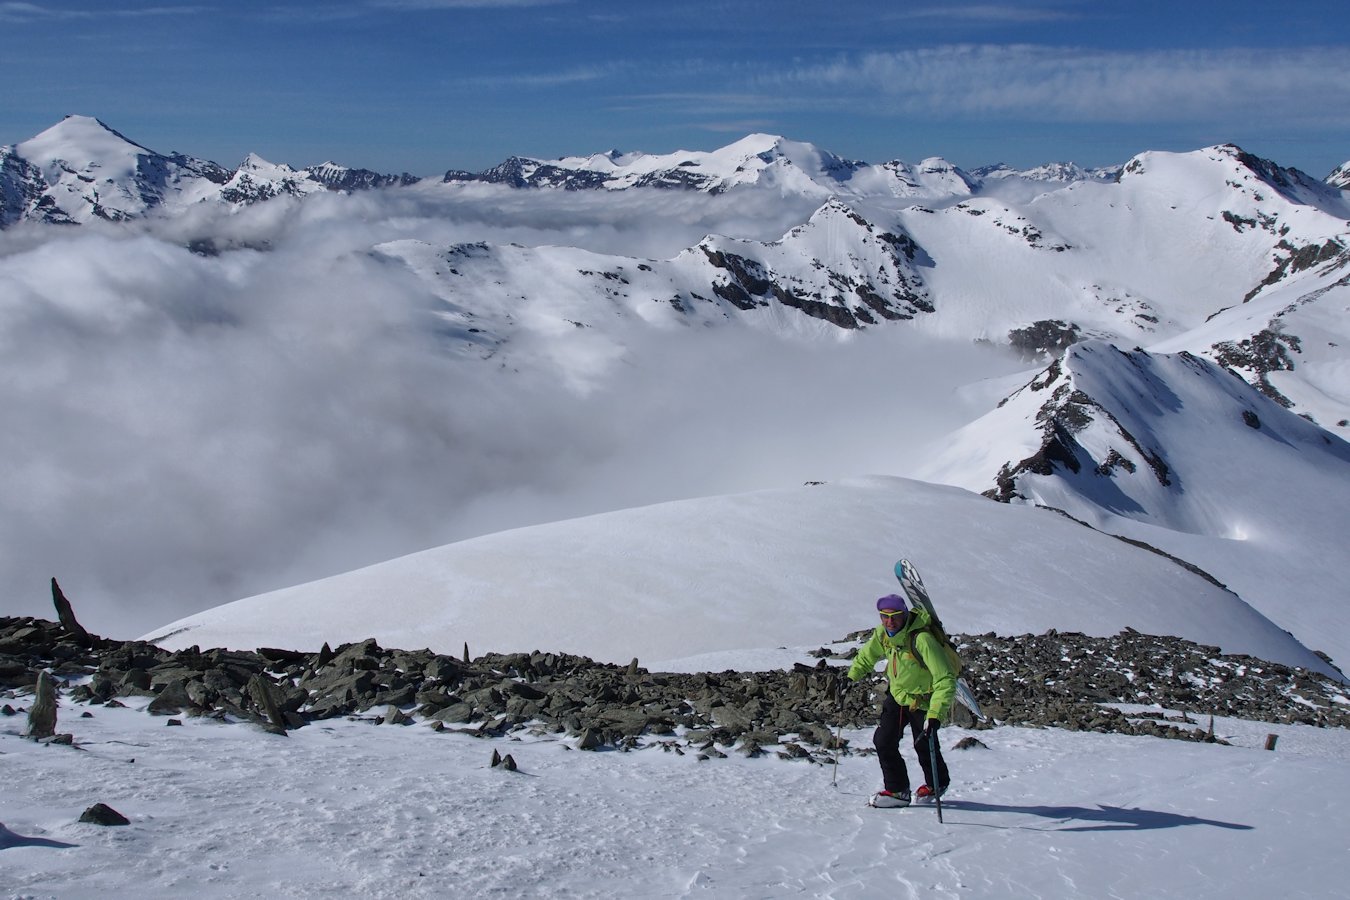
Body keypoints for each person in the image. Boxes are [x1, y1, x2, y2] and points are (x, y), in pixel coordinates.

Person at [846, 593, 955, 808]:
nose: (890, 621)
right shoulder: (883, 635)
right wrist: (851, 677)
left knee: (924, 744)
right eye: (884, 617)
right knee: (883, 741)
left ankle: (937, 783)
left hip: (924, 700)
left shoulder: (922, 640)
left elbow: (945, 678)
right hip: (897, 696)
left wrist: (935, 714)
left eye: (895, 616)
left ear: (904, 614)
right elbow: (867, 657)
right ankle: (897, 790)